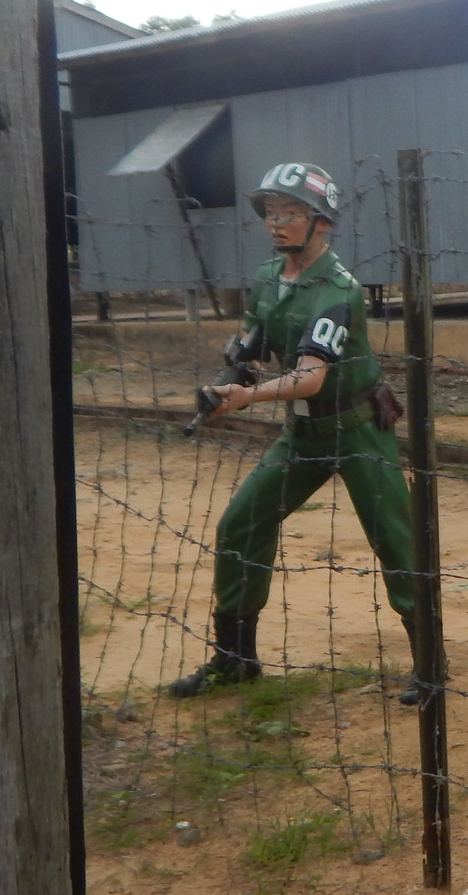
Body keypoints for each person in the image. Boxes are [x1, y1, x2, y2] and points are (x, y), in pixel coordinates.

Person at [169, 163, 433, 704]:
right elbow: (251, 342)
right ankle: (235, 659)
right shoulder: (268, 278)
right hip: (303, 434)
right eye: (271, 213)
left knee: (397, 541)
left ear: (322, 223)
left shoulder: (339, 290)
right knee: (241, 524)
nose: (278, 223)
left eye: (291, 213)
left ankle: (430, 665)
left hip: (357, 429)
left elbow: (312, 377)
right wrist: (230, 375)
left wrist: (247, 398)